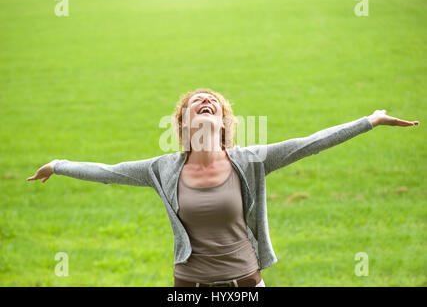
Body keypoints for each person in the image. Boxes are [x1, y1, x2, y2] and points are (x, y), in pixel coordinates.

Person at [26, 88, 419, 287]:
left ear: (225, 123)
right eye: (196, 102)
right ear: (182, 125)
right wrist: (58, 165)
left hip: (246, 285)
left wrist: (369, 121)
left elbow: (311, 142)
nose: (205, 102)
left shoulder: (250, 161)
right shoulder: (162, 169)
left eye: (212, 101)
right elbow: (107, 171)